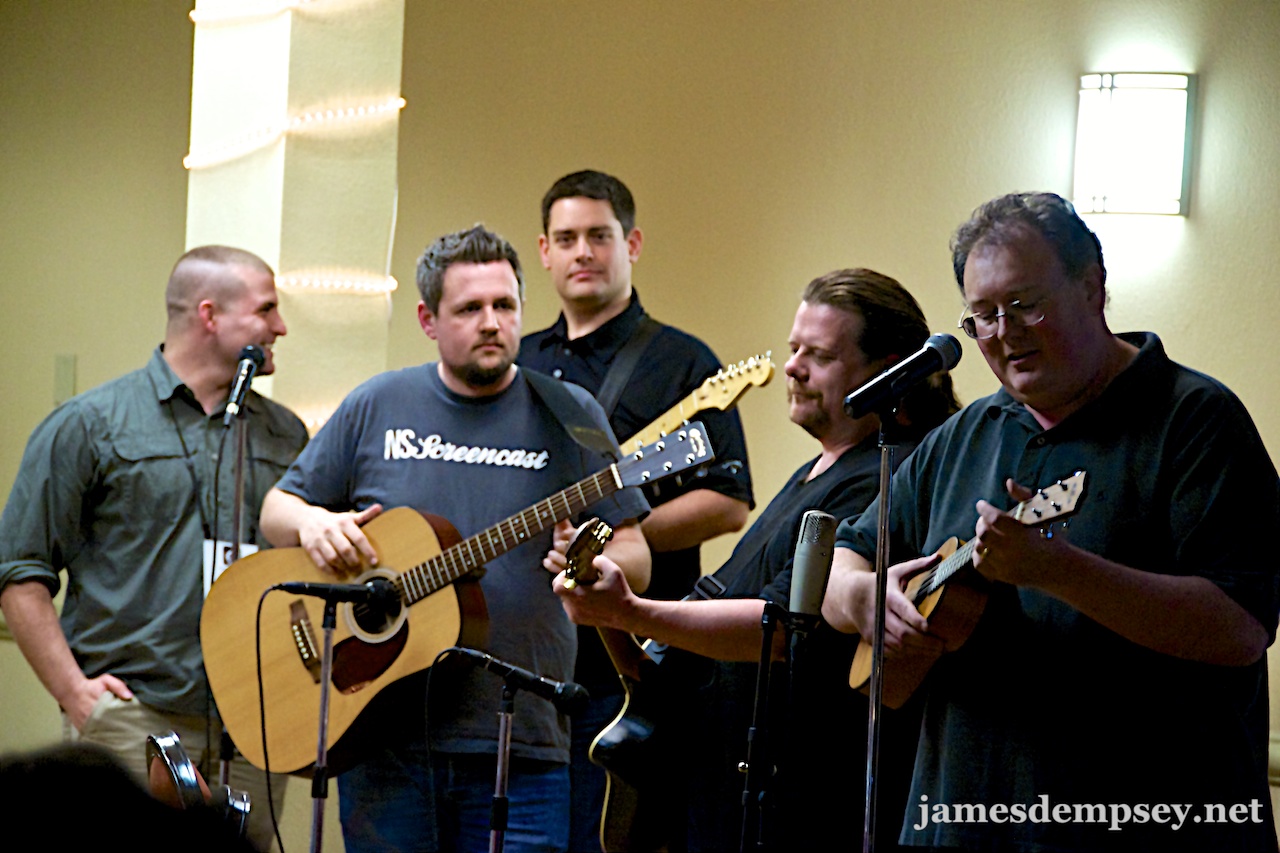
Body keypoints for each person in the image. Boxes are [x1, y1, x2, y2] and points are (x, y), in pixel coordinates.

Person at [822, 192, 1280, 852]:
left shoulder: (1194, 420)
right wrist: (866, 597)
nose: (1004, 332)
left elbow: (1239, 626)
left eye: (1026, 303)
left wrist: (1064, 572)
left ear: (1093, 287)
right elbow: (849, 555)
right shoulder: (963, 434)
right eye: (982, 316)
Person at [258, 224, 652, 852]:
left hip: (522, 739)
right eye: (470, 308)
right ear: (428, 319)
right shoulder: (378, 403)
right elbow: (278, 507)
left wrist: (597, 560)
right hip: (384, 732)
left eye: (505, 306)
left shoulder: (570, 413)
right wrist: (314, 523)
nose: (491, 322)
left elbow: (634, 548)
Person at [549, 269, 960, 851]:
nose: (792, 367)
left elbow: (782, 629)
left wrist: (631, 612)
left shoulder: (885, 479)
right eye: (794, 348)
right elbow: (677, 660)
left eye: (819, 355)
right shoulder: (815, 471)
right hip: (725, 792)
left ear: (888, 371)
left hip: (801, 807)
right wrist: (608, 608)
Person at [0, 245, 309, 851]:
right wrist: (74, 693)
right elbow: (20, 572)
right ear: (209, 315)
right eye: (266, 310)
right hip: (134, 719)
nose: (280, 327)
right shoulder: (90, 424)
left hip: (255, 725)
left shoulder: (285, 434)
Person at [519, 169, 754, 850]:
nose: (582, 251)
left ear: (633, 243)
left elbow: (727, 503)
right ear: (544, 251)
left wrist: (613, 532)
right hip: (525, 655)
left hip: (628, 662)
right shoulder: (518, 359)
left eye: (599, 235)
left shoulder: (683, 362)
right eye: (566, 238)